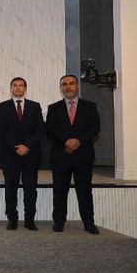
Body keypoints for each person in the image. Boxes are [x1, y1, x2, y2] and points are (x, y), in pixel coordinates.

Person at [46, 74, 101, 234]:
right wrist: (67, 141)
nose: (68, 87)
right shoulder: (53, 108)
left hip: (83, 156)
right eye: (64, 84)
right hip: (60, 155)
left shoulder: (90, 106)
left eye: (71, 83)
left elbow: (94, 128)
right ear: (61, 88)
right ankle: (59, 222)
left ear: (77, 86)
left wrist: (78, 141)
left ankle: (89, 223)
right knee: (59, 191)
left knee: (84, 192)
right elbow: (50, 130)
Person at [0, 77, 44, 231]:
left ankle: (30, 220)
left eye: (21, 85)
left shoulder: (35, 106)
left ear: (25, 89)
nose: (18, 88)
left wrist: (27, 146)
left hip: (31, 155)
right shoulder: (2, 107)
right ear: (11, 88)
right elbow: (1, 130)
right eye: (15, 85)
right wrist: (16, 146)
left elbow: (39, 130)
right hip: (10, 155)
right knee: (11, 189)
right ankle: (12, 220)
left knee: (30, 190)